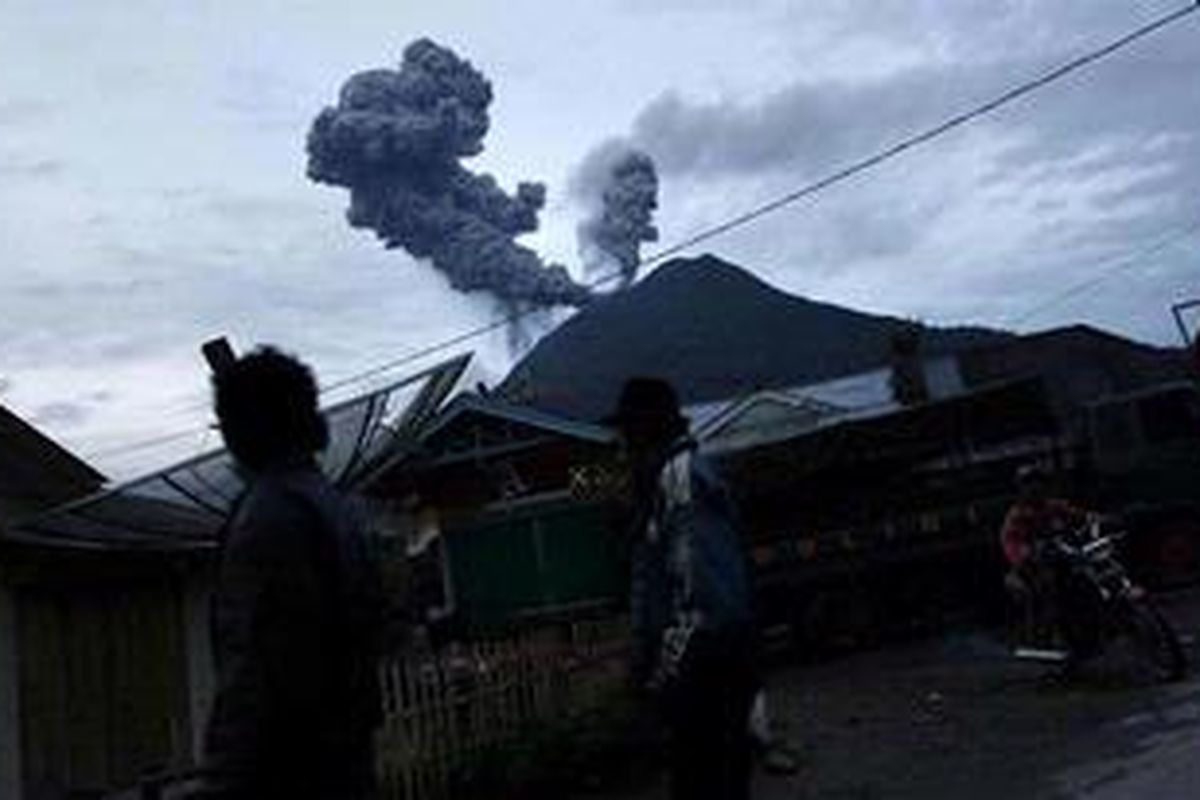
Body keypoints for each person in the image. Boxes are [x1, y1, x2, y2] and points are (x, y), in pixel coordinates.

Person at [197, 346, 384, 799]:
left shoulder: (268, 518)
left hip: (288, 773)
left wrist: (225, 782)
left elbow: (254, 676)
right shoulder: (333, 506)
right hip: (343, 763)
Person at [608, 377, 756, 800]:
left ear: (647, 430)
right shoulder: (668, 484)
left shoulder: (680, 484)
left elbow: (697, 599)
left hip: (707, 673)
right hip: (709, 669)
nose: (623, 446)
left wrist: (660, 677)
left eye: (628, 433)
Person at [1000, 464, 1090, 650]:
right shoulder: (1017, 516)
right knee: (1049, 588)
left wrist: (1096, 519)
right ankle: (1055, 634)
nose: (1035, 488)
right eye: (1029, 484)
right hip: (1035, 566)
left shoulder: (1054, 506)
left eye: (1038, 482)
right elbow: (1011, 543)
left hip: (1064, 558)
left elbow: (1080, 516)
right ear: (1021, 489)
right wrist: (1027, 554)